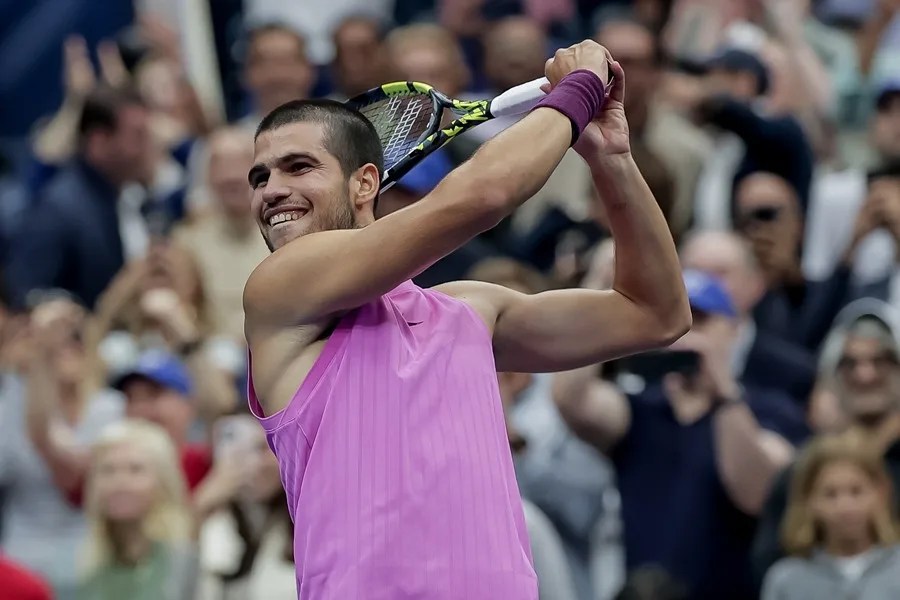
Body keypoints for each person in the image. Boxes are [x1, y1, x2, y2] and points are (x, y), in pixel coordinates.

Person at [242, 41, 690, 598]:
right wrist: (578, 93)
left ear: (364, 183)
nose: (272, 190)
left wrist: (612, 157)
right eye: (260, 178)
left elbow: (655, 314)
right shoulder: (276, 291)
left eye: (298, 166)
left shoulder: (470, 311)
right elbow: (484, 194)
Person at [554, 270, 803, 600]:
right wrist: (601, 288)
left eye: (700, 322)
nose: (685, 336)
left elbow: (758, 492)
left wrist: (724, 393)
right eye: (675, 323)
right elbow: (571, 399)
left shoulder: (767, 409)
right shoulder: (641, 409)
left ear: (734, 330)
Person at [761, 432, 900, 599]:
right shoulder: (786, 579)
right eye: (830, 494)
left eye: (856, 492)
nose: (845, 507)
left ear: (880, 493)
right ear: (809, 500)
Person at [77, 420, 197, 600]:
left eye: (135, 470)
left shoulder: (187, 562)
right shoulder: (88, 565)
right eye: (108, 470)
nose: (119, 482)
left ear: (163, 481)